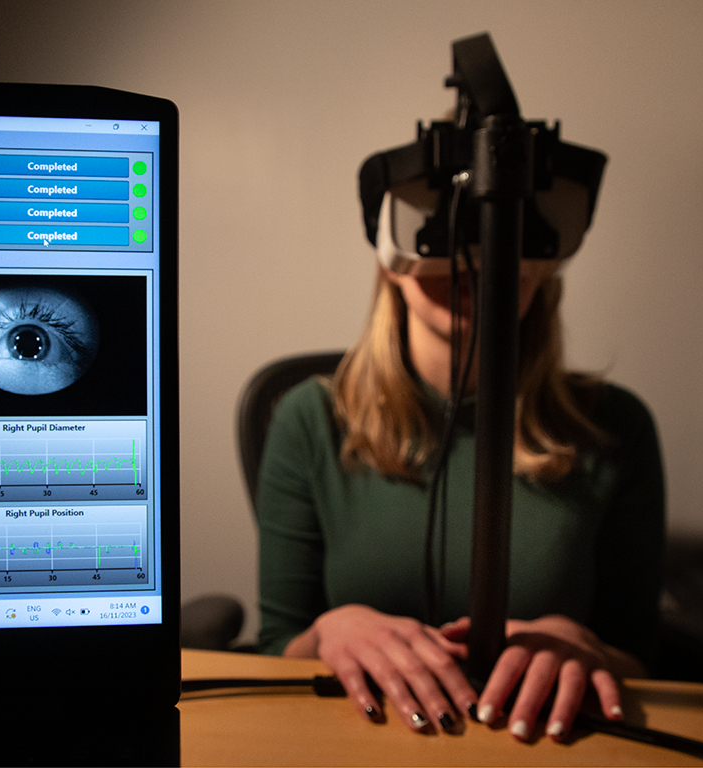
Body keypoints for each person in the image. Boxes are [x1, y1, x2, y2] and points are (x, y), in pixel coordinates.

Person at [256, 147, 665, 743]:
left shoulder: (614, 426)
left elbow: (642, 657)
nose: (474, 263)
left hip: (543, 743)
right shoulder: (311, 418)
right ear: (391, 257)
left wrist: (585, 648)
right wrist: (331, 629)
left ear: (545, 261)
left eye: (501, 238)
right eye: (446, 235)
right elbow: (275, 649)